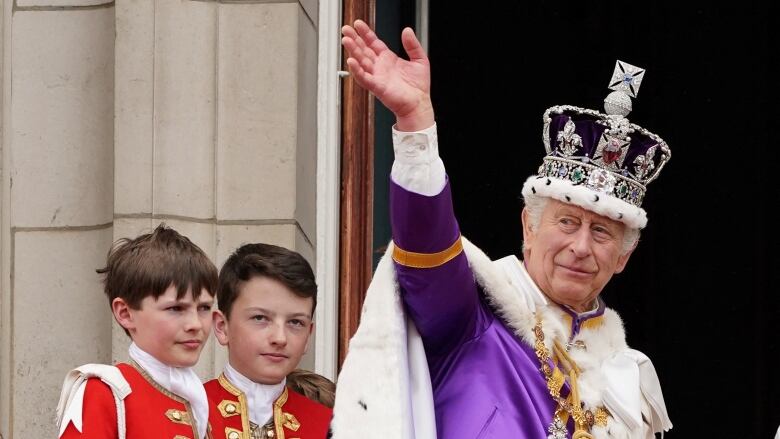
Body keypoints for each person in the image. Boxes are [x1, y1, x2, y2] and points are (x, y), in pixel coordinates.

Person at [332, 21, 673, 439]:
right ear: (528, 226)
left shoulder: (628, 377)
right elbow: (428, 245)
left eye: (602, 233)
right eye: (567, 222)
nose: (581, 246)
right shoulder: (472, 318)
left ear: (623, 257)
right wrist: (415, 122)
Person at [56, 223, 221, 439]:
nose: (196, 324)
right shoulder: (105, 395)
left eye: (204, 308)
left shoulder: (209, 406)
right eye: (175, 308)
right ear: (125, 313)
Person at [205, 243, 332, 439]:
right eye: (260, 318)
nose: (280, 338)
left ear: (309, 334)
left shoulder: (330, 427)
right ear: (222, 326)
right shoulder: (191, 412)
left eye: (296, 322)